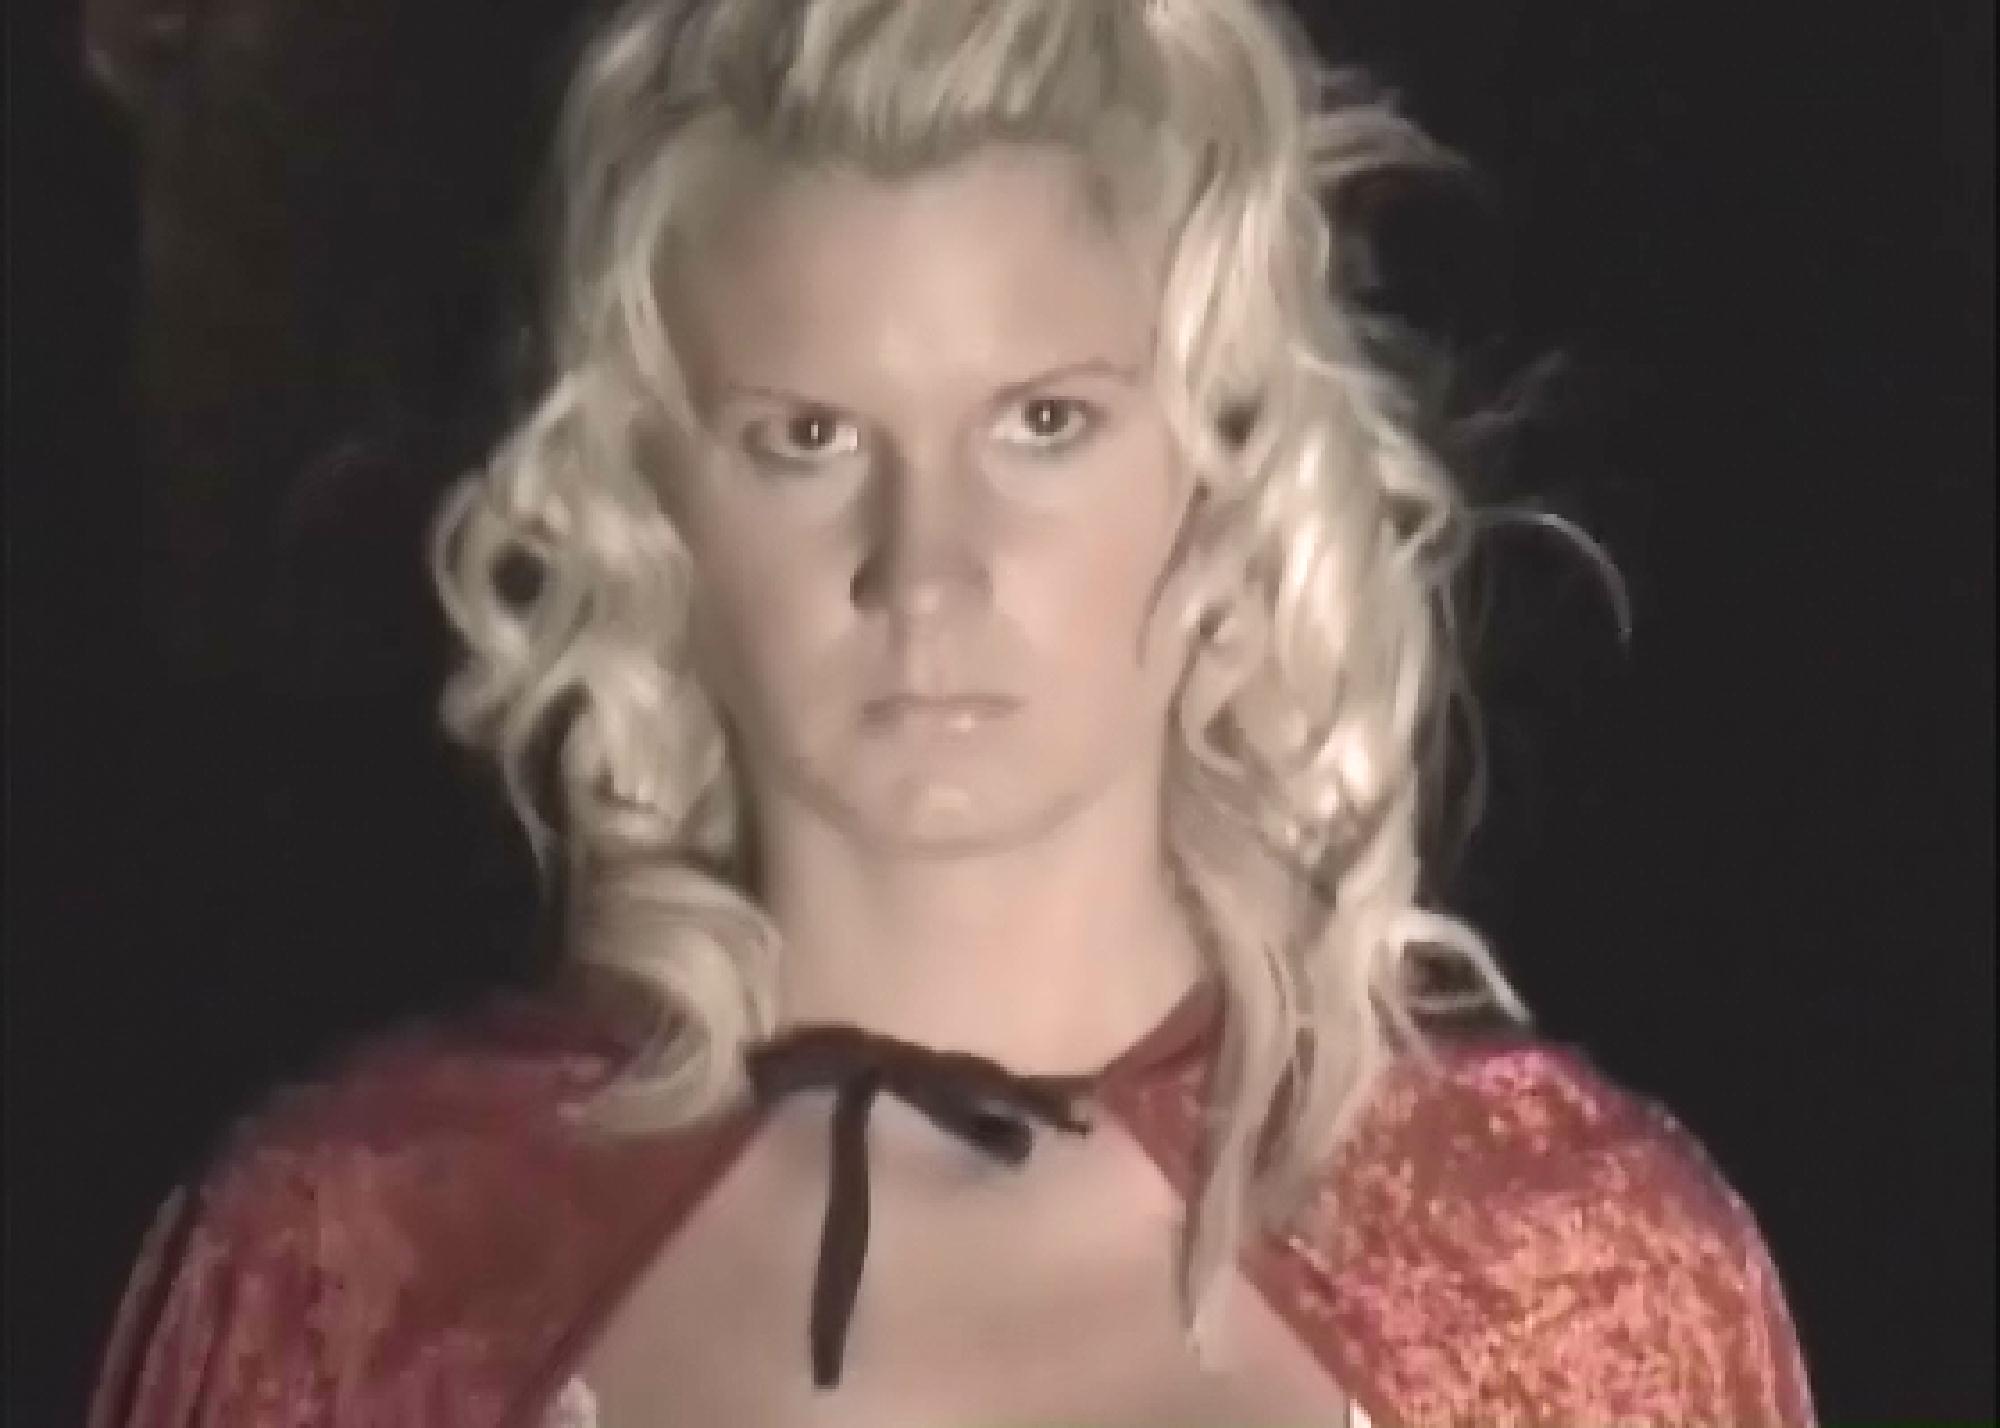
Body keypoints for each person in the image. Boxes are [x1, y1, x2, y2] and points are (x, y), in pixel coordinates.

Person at [87, 1, 1818, 1424]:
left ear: (1224, 457)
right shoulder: (358, 1267)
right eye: (810, 438)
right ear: (645, 497)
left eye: (1043, 424)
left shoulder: (1565, 1283)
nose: (928, 570)